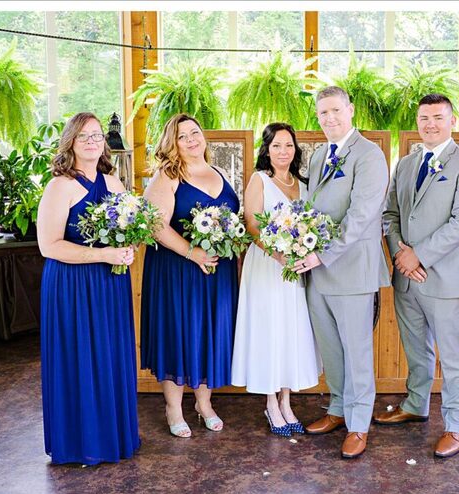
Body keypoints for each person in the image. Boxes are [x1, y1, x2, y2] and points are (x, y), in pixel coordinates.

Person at [376, 94, 459, 459]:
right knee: (415, 347)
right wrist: (399, 254)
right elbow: (389, 214)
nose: (430, 124)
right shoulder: (406, 164)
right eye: (424, 118)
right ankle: (416, 403)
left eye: (438, 117)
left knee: (452, 353)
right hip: (406, 276)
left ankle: (456, 426)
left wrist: (418, 254)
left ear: (452, 120)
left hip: (444, 276)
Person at [293, 86, 390, 459]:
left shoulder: (369, 155)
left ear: (350, 110)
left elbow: (362, 215)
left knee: (357, 350)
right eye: (322, 114)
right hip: (317, 271)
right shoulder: (318, 156)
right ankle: (337, 409)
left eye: (335, 111)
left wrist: (322, 255)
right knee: (331, 348)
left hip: (349, 268)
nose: (329, 119)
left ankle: (359, 424)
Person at [37, 111, 139, 465]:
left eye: (98, 135)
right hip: (72, 287)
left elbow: (129, 232)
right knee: (79, 359)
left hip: (110, 285)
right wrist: (104, 252)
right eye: (85, 136)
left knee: (109, 357)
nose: (94, 141)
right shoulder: (59, 186)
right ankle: (81, 443)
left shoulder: (115, 185)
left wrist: (128, 249)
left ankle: (113, 435)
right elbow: (49, 246)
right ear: (71, 143)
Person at [140, 113, 239, 437]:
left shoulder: (219, 171)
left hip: (217, 272)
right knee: (179, 334)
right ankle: (173, 407)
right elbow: (154, 226)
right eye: (183, 136)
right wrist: (192, 252)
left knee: (209, 333)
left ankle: (204, 403)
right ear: (173, 143)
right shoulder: (167, 176)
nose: (192, 139)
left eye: (195, 132)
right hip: (178, 272)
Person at [231, 123, 320, 436]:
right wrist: (279, 254)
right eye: (277, 146)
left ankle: (287, 400)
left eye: (289, 145)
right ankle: (271, 402)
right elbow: (253, 224)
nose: (284, 152)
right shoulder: (260, 180)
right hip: (268, 264)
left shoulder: (304, 183)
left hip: (297, 268)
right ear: (266, 150)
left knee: (291, 329)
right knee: (270, 329)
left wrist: (301, 250)